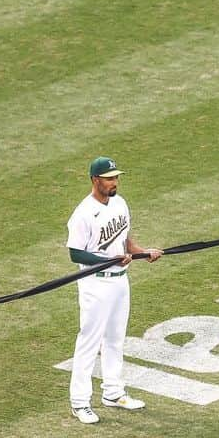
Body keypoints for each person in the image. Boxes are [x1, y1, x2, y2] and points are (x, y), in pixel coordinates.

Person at [67, 157, 162, 424]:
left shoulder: (120, 203)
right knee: (89, 341)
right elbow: (75, 252)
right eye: (109, 178)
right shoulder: (84, 213)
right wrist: (110, 260)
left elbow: (124, 240)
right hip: (95, 282)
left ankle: (113, 392)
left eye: (116, 177)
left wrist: (143, 252)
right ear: (95, 180)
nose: (114, 182)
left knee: (115, 338)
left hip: (120, 280)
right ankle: (80, 401)